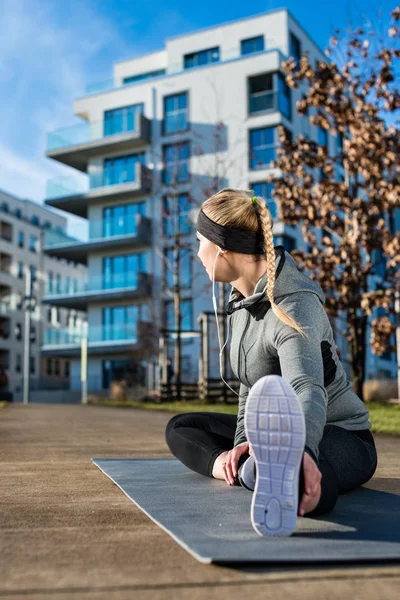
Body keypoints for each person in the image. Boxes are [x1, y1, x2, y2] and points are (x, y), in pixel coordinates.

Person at [165, 188, 377, 535]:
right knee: (181, 427)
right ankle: (244, 469)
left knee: (304, 475)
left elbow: (308, 390)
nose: (197, 251)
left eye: (200, 240)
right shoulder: (241, 303)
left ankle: (278, 473)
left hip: (336, 433)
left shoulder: (295, 306)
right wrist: (238, 447)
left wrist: (303, 450)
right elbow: (250, 388)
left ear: (223, 248)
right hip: (273, 436)